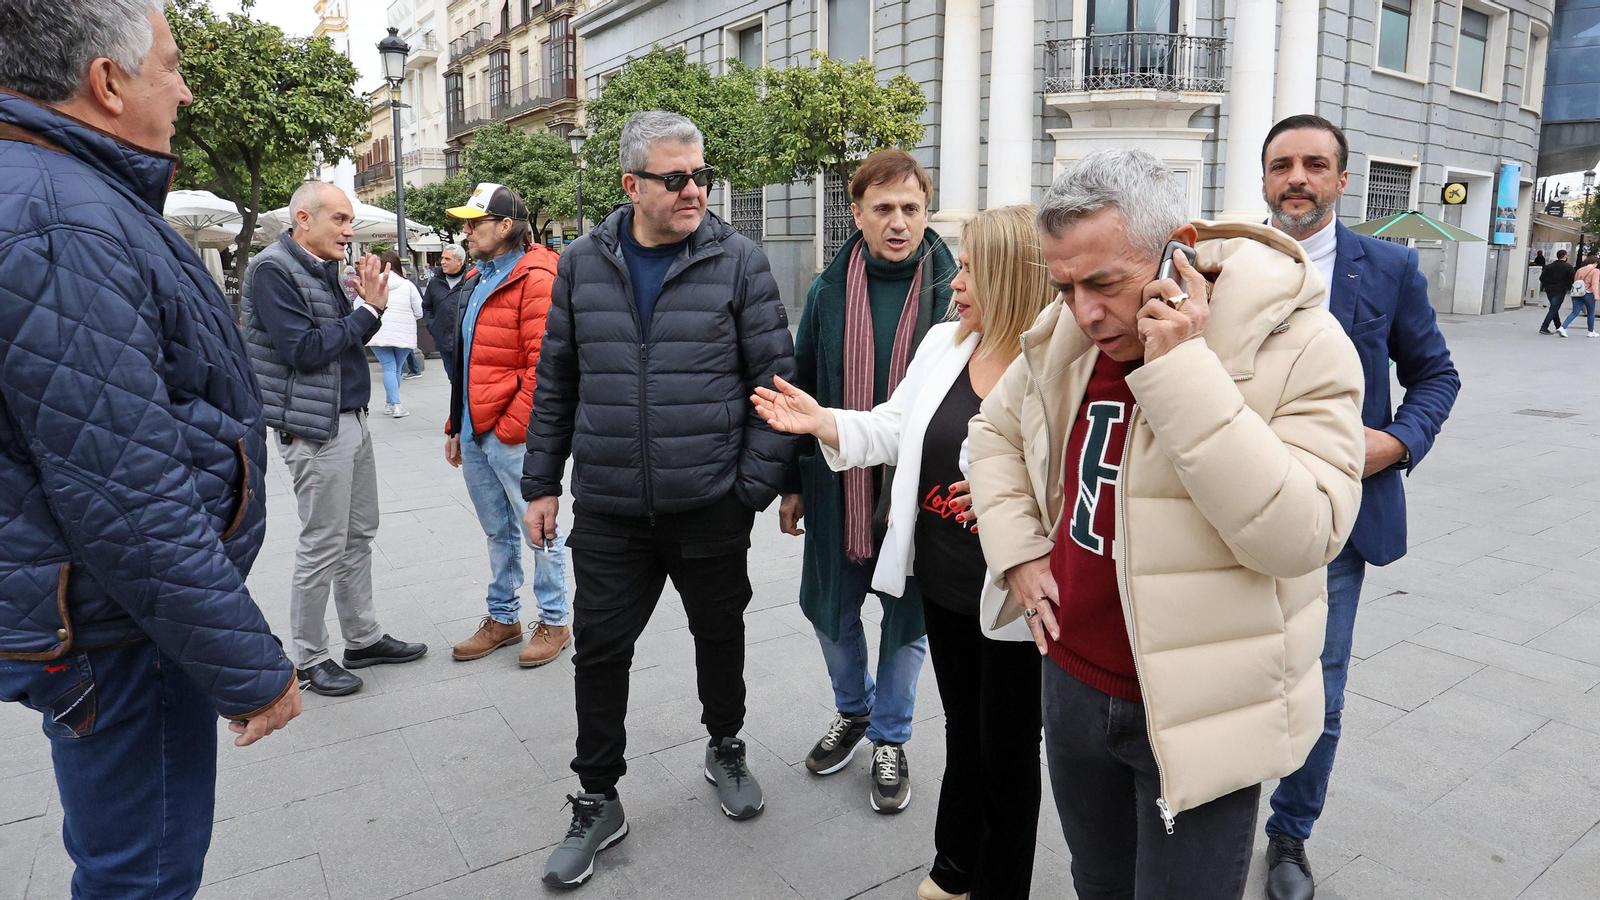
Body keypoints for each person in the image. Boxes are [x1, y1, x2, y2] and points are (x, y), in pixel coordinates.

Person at [967, 148, 1365, 900]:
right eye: (1065, 285)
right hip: (1073, 678)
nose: (1084, 311)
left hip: (1202, 703)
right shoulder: (1067, 332)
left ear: (1177, 245)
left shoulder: (1301, 343)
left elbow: (1304, 533)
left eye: (1105, 284)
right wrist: (1018, 552)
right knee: (1100, 884)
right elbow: (991, 435)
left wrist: (1183, 371)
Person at [0, 1, 301, 894]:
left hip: (96, 608)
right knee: (142, 875)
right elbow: (125, 486)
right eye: (172, 65)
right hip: (119, 625)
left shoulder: (52, 191)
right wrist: (247, 668)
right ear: (107, 80)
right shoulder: (61, 217)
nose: (187, 88)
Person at [521, 111, 796, 887]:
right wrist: (542, 483)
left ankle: (726, 744)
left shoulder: (739, 261)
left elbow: (777, 384)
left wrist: (746, 487)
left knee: (719, 632)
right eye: (676, 178)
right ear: (630, 185)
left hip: (708, 502)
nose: (694, 190)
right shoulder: (580, 264)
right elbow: (558, 380)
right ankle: (597, 796)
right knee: (602, 650)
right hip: (608, 506)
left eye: (701, 175)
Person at [753, 206, 1054, 900]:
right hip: (944, 581)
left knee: (1009, 753)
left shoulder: (1056, 364)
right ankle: (953, 871)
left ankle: (998, 885)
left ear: (1010, 275)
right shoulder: (947, 344)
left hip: (1016, 595)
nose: (956, 283)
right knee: (965, 733)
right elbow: (894, 426)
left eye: (972, 269)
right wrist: (823, 421)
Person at [1257, 114, 1461, 900]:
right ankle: (1205, 811)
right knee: (1220, 668)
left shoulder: (1388, 268)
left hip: (1337, 519)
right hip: (1232, 512)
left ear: (1343, 180)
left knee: (1321, 685)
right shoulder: (1220, 261)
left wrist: (1398, 443)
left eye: (1315, 165)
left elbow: (1436, 375)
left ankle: (1289, 834)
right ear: (1265, 180)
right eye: (1283, 166)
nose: (1298, 179)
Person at [783, 148, 958, 813]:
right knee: (831, 610)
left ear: (925, 211)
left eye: (911, 208)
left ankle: (889, 735)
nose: (898, 222)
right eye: (883, 208)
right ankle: (852, 711)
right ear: (855, 213)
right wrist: (793, 482)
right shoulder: (829, 291)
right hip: (838, 487)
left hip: (925, 493)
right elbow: (802, 387)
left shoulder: (954, 289)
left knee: (909, 622)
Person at [243, 181, 429, 697]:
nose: (350, 231)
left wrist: (367, 309)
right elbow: (303, 350)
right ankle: (309, 656)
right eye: (340, 220)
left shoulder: (319, 268)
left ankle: (363, 638)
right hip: (315, 427)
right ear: (304, 218)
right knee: (323, 542)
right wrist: (367, 311)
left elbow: (342, 343)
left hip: (350, 416)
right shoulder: (273, 270)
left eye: (350, 221)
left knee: (358, 533)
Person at [443, 183, 572, 666]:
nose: (467, 231)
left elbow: (546, 368)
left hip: (510, 433)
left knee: (538, 528)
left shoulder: (536, 278)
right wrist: (459, 424)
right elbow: (468, 358)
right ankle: (503, 617)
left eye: (475, 222)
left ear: (504, 225)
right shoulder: (479, 277)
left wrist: (510, 428)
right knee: (497, 530)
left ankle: (556, 620)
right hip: (478, 430)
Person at [367, 250, 426, 417]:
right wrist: (408, 318)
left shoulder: (373, 284)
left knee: (388, 368)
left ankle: (391, 403)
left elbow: (361, 306)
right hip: (403, 332)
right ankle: (395, 404)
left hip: (378, 331)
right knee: (396, 369)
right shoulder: (407, 285)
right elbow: (419, 310)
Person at [424, 243, 478, 385]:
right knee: (454, 381)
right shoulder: (435, 282)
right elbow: (427, 307)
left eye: (447, 259)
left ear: (459, 261)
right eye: (442, 258)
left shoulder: (472, 280)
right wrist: (433, 326)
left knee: (469, 382)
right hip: (444, 341)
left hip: (466, 342)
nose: (442, 262)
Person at [1562, 255, 1600, 338]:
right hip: (1588, 293)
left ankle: (1563, 327)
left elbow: (1576, 280)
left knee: (1575, 312)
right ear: (1595, 263)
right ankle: (1591, 331)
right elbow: (1594, 283)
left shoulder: (1580, 270)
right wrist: (1596, 295)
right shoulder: (1595, 271)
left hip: (1577, 293)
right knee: (1591, 312)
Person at [1540, 249, 1576, 335]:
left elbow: (1541, 278)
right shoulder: (1568, 267)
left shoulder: (1549, 266)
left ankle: (1558, 326)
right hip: (1560, 289)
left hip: (1549, 289)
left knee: (1554, 307)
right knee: (1554, 308)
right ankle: (1544, 327)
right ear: (1565, 256)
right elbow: (1573, 279)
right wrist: (1569, 286)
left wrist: (1547, 284)